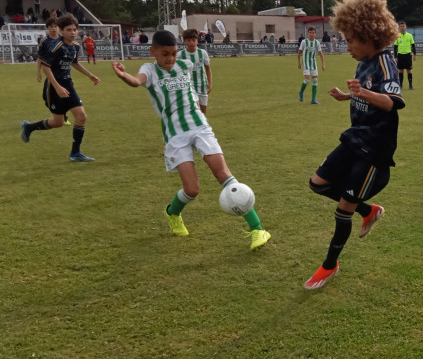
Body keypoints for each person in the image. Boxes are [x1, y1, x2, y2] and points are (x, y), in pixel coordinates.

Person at [111, 30, 271, 249]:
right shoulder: (149, 70)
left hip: (200, 126)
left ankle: (258, 229)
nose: (170, 58)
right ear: (153, 52)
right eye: (165, 54)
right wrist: (124, 76)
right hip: (175, 135)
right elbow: (137, 81)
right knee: (192, 190)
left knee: (223, 174)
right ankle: (172, 213)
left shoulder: (183, 65)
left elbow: (194, 83)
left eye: (174, 53)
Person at [303, 0, 405, 290]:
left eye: (350, 41)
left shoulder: (386, 62)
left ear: (368, 36)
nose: (347, 47)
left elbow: (392, 102)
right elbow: (366, 91)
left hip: (374, 150)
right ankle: (369, 210)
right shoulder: (364, 61)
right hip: (354, 139)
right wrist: (348, 94)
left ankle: (329, 266)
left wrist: (362, 93)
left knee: (343, 207)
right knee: (316, 183)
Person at [21, 15, 100, 161]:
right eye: (69, 30)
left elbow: (74, 63)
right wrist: (57, 87)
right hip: (53, 86)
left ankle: (75, 153)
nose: (73, 32)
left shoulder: (75, 46)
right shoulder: (55, 46)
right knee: (58, 123)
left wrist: (90, 75)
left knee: (81, 116)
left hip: (68, 84)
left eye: (75, 30)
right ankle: (29, 127)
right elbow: (46, 67)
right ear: (61, 31)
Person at [179, 29, 212, 114]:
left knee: (203, 113)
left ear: (197, 41)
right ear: (185, 41)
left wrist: (210, 84)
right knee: (196, 109)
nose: (191, 42)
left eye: (194, 40)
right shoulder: (180, 55)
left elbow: (208, 68)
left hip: (202, 85)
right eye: (189, 40)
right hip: (189, 85)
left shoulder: (203, 53)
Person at [298, 26, 326, 104]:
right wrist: (299, 62)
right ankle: (301, 92)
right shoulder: (304, 42)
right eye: (310, 32)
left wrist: (323, 64)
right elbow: (299, 52)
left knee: (315, 80)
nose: (311, 34)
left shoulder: (317, 43)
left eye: (313, 33)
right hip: (306, 63)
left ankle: (313, 99)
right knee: (307, 80)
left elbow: (321, 53)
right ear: (308, 33)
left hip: (313, 63)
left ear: (315, 34)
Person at [394, 21, 416, 90]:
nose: (402, 28)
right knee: (401, 71)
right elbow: (395, 47)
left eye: (404, 26)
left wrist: (415, 54)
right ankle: (400, 85)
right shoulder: (397, 36)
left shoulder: (409, 35)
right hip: (400, 55)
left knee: (409, 70)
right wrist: (395, 57)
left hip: (408, 55)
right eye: (401, 26)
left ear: (405, 27)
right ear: (399, 27)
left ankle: (410, 85)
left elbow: (413, 46)